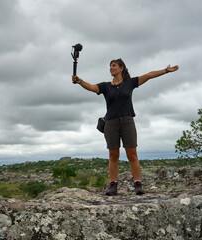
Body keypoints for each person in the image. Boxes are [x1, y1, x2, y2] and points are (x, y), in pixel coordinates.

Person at [72, 58, 179, 196]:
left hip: (127, 121)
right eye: (110, 66)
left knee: (132, 155)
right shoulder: (105, 86)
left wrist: (165, 71)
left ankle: (137, 183)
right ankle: (113, 184)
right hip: (110, 123)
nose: (111, 68)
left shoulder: (130, 83)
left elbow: (148, 75)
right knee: (113, 155)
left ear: (121, 68)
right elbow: (92, 87)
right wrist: (80, 81)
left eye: (114, 66)